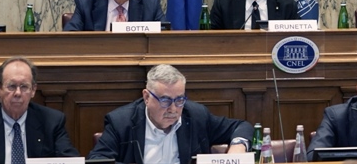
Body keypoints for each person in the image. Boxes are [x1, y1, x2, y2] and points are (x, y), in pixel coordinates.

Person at [88, 64, 253, 163]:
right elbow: (98, 160)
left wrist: (238, 147)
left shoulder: (196, 115)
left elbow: (242, 126)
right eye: (165, 100)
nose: (173, 109)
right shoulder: (121, 121)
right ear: (146, 97)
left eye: (179, 100)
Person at [0, 57, 79, 164]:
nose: (18, 93)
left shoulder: (52, 122)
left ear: (33, 90)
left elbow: (70, 160)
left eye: (24, 87)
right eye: (11, 86)